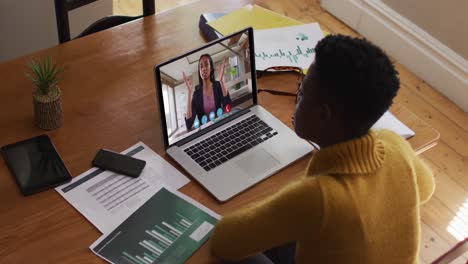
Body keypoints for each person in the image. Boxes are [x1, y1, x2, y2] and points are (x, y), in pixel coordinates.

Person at [210, 34, 435, 264]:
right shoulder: (394, 144)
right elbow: (426, 187)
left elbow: (224, 239)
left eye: (303, 92)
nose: (298, 99)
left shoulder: (318, 197)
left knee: (221, 255)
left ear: (323, 114)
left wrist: (282, 203)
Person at [183, 54, 231, 130]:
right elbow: (189, 124)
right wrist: (189, 93)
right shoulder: (196, 94)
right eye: (201, 66)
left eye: (206, 65)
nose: (203, 68)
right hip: (205, 132)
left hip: (220, 127)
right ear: (199, 71)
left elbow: (227, 108)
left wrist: (221, 82)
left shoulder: (218, 86)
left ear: (211, 68)